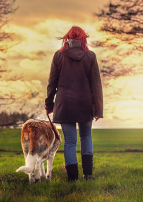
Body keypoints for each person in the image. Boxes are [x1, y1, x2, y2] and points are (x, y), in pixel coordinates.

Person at [45, 26, 103, 181]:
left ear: (67, 38)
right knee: (86, 136)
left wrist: (49, 105)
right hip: (85, 103)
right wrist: (98, 109)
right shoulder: (90, 56)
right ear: (83, 38)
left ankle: (72, 178)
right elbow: (96, 84)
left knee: (70, 141)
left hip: (65, 104)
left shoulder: (58, 56)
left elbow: (52, 83)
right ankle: (88, 175)